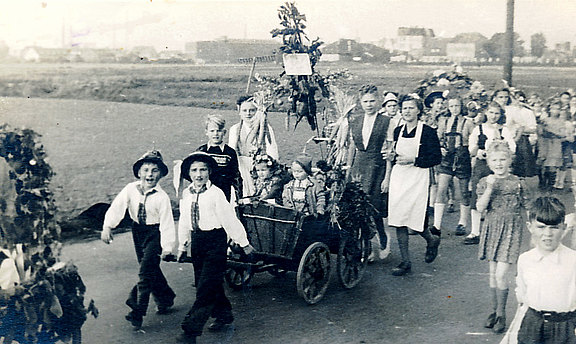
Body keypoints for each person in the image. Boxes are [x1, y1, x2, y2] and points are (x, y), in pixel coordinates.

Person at [176, 152, 254, 344]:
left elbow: (229, 220)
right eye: (194, 170)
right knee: (207, 282)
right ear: (188, 173)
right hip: (197, 242)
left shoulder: (216, 194)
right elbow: (185, 221)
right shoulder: (187, 194)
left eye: (203, 169)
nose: (199, 174)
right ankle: (224, 314)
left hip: (215, 241)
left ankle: (190, 332)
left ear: (210, 171)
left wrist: (244, 243)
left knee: (205, 288)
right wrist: (181, 245)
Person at [101, 150, 176, 330]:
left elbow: (166, 224)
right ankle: (165, 298)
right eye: (146, 170)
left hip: (155, 233)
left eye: (155, 170)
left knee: (145, 272)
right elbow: (117, 207)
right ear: (139, 172)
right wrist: (107, 226)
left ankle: (137, 311)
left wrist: (167, 247)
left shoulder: (162, 197)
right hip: (138, 231)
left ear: (161, 174)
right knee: (150, 268)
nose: (150, 174)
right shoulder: (130, 189)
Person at [382, 94, 442, 276]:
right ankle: (405, 261)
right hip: (400, 177)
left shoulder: (428, 132)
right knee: (398, 219)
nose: (407, 111)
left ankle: (431, 240)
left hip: (418, 177)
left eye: (411, 108)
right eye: (405, 108)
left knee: (415, 220)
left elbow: (436, 157)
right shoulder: (398, 130)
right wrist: (392, 158)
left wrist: (414, 160)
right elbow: (395, 155)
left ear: (418, 110)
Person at [476, 141, 528, 334]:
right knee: (492, 274)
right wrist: (490, 188)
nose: (499, 164)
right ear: (489, 162)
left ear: (510, 160)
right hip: (492, 229)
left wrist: (532, 236)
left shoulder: (517, 182)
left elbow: (528, 207)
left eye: (503, 159)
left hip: (511, 230)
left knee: (500, 275)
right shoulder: (485, 182)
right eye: (495, 160)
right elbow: (480, 208)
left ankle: (502, 314)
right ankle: (493, 311)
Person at [514, 196, 576, 344]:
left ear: (563, 227)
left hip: (565, 326)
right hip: (533, 325)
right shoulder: (525, 260)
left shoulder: (573, 260)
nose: (547, 234)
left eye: (554, 227)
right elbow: (522, 297)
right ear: (530, 227)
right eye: (541, 227)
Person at [348, 85, 391, 261]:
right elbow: (352, 146)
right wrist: (348, 168)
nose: (369, 104)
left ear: (378, 100)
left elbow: (389, 150)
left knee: (373, 208)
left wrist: (387, 177)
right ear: (360, 102)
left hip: (377, 166)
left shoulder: (386, 121)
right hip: (359, 165)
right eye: (365, 101)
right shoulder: (356, 120)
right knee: (358, 208)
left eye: (372, 101)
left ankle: (383, 239)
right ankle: (368, 247)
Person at [464, 102, 516, 245]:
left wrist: (502, 146)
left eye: (497, 113)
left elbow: (512, 148)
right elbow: (471, 148)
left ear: (500, 115)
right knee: (477, 195)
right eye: (491, 113)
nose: (494, 116)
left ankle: (495, 231)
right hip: (482, 166)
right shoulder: (478, 129)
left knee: (498, 196)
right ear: (486, 113)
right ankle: (475, 232)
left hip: (499, 166)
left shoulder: (503, 130)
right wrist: (479, 152)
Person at [434, 95, 474, 236]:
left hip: (462, 158)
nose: (454, 109)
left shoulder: (468, 123)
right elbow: (437, 139)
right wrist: (440, 147)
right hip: (447, 159)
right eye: (451, 106)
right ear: (448, 107)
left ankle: (462, 223)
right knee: (441, 189)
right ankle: (436, 225)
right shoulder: (443, 121)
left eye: (457, 106)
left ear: (461, 106)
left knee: (464, 192)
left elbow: (473, 141)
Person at [229, 95, 279, 197]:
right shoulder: (235, 129)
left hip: (260, 166)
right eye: (245, 110)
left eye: (252, 110)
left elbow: (272, 149)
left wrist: (270, 167)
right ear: (239, 111)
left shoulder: (265, 127)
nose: (248, 114)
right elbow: (232, 151)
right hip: (242, 166)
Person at [196, 114, 242, 202]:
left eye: (219, 131)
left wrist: (239, 198)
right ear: (206, 132)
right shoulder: (202, 151)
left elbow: (236, 176)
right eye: (212, 131)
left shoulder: (230, 152)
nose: (215, 134)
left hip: (223, 191)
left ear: (224, 132)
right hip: (205, 190)